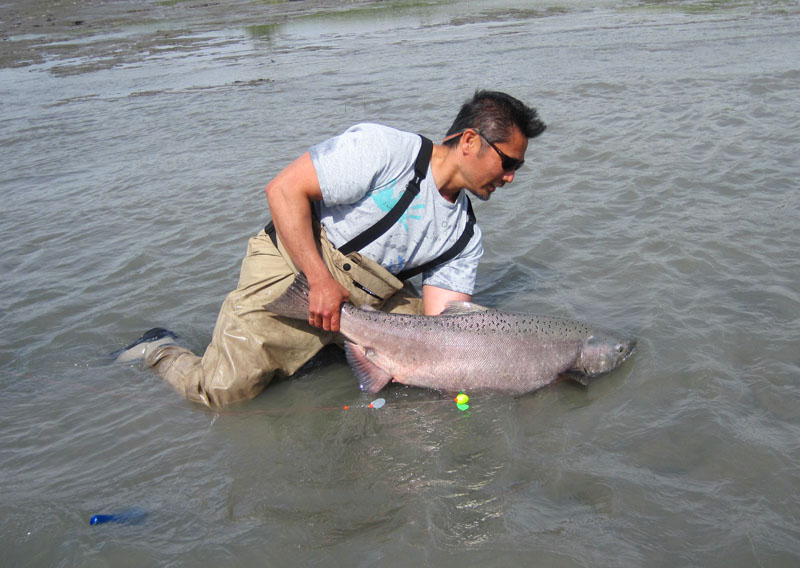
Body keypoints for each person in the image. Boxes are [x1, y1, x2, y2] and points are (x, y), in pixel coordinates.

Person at [117, 90, 546, 407]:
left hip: (368, 298)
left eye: (517, 169)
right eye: (508, 163)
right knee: (222, 394)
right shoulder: (385, 150)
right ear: (469, 141)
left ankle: (329, 349)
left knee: (435, 359)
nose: (510, 178)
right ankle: (158, 347)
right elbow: (283, 191)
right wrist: (321, 281)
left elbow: (445, 327)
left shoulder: (464, 236)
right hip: (296, 263)